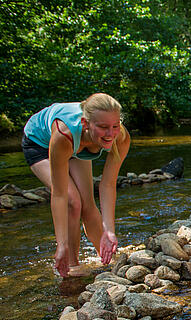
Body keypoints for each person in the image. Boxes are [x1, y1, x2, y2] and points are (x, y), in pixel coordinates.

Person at [22, 93, 131, 278]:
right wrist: (61, 244)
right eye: (103, 127)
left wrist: (110, 231)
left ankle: (107, 260)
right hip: (40, 143)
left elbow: (107, 184)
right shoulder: (64, 134)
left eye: (114, 126)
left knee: (87, 204)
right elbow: (59, 195)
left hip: (81, 143)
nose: (110, 133)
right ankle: (71, 265)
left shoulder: (120, 137)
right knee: (73, 202)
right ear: (85, 124)